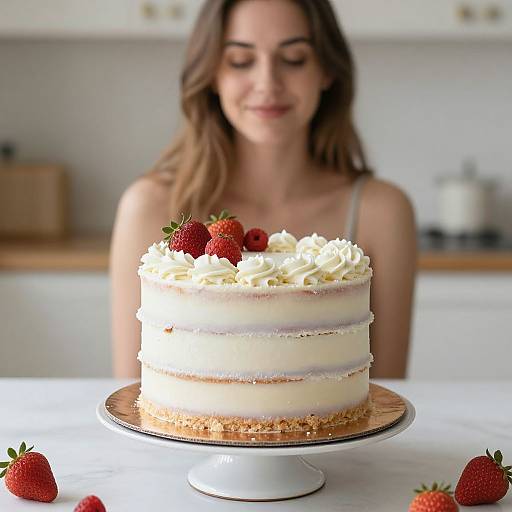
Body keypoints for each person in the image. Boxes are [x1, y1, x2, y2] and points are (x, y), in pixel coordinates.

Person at [110, 0, 416, 379]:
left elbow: (384, 395)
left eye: (294, 58)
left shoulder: (382, 212)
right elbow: (134, 394)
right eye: (240, 60)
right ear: (210, 74)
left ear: (327, 71)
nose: (268, 83)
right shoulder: (149, 207)